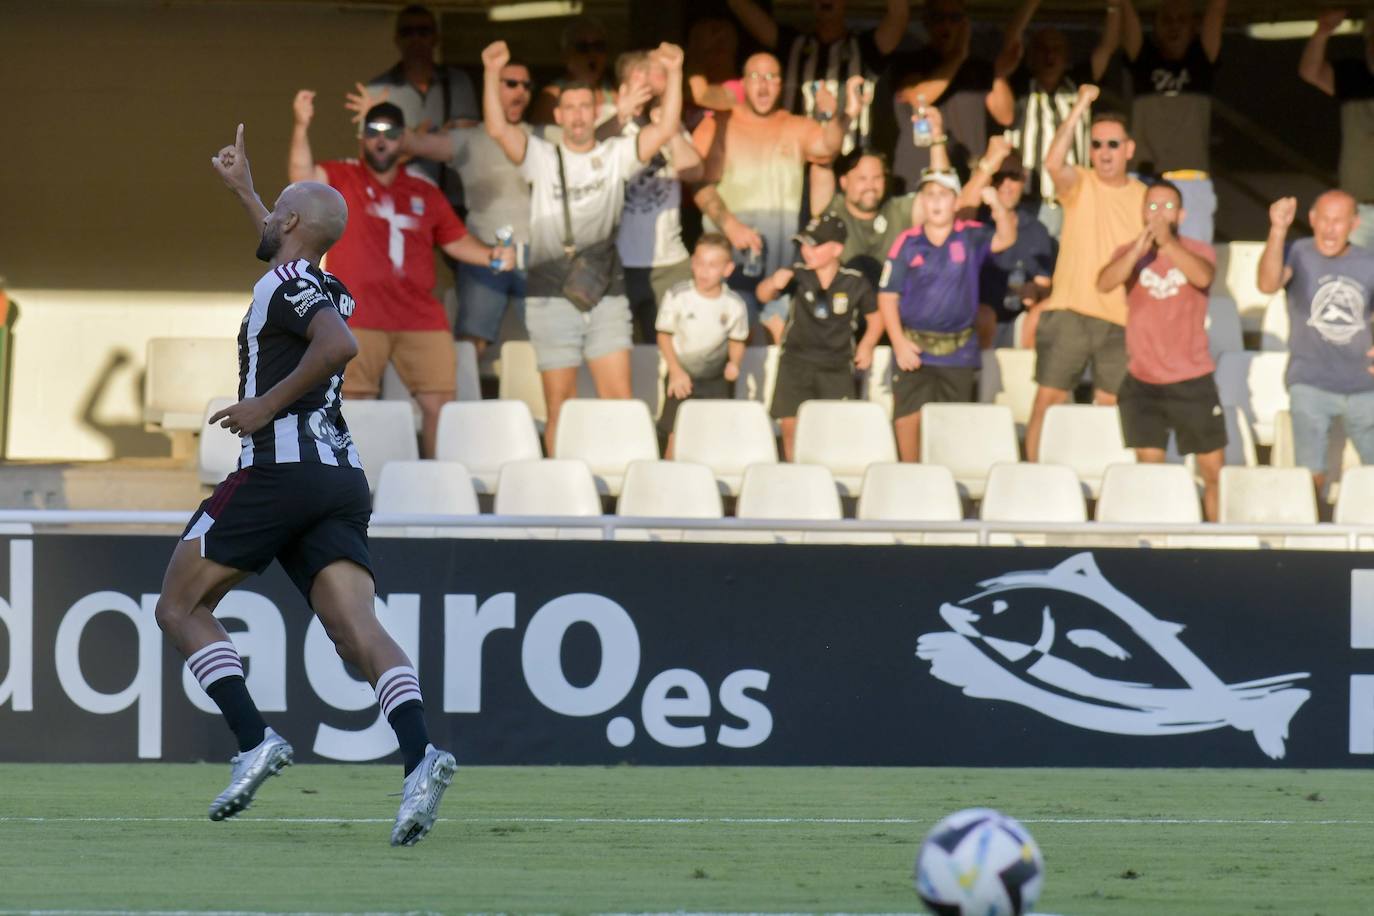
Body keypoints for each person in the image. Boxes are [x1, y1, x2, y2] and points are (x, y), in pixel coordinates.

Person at [155, 123, 455, 846]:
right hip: (339, 478)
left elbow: (338, 346)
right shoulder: (322, 278)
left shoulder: (288, 285)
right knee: (357, 633)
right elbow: (283, 244)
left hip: (279, 470)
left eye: (276, 209)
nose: (268, 220)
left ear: (293, 223)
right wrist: (248, 191)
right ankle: (420, 758)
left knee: (178, 606)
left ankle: (254, 739)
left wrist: (263, 403)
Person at [482, 39, 685, 453]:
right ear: (558, 115)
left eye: (584, 107)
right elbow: (498, 129)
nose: (577, 116)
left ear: (598, 112)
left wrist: (676, 72)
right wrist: (490, 72)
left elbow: (664, 130)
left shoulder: (615, 155)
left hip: (605, 291)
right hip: (550, 294)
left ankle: (621, 495)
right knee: (561, 407)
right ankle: (560, 494)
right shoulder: (541, 155)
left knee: (619, 402)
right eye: (568, 108)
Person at [288, 96, 509, 459]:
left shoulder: (424, 189)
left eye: (390, 133)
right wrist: (301, 125)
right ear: (361, 138)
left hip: (420, 317)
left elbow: (455, 242)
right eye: (372, 132)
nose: (381, 140)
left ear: (402, 139)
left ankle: (436, 484)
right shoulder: (343, 177)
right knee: (355, 404)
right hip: (357, 314)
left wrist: (492, 256)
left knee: (441, 404)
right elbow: (301, 179)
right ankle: (359, 485)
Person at [692, 55, 862, 341]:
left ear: (782, 84)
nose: (763, 86)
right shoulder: (717, 125)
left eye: (771, 78)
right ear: (743, 82)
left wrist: (838, 115)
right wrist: (731, 226)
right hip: (729, 268)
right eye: (756, 77)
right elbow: (698, 185)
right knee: (732, 350)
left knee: (776, 348)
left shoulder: (795, 125)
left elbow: (828, 149)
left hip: (780, 271)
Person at [1023, 85, 1146, 462]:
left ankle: (1099, 484)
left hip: (1122, 320)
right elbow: (1053, 163)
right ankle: (1030, 478)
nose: (1104, 152)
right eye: (1096, 144)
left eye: (1112, 144)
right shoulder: (1080, 182)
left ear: (1129, 149)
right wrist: (1079, 108)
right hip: (1070, 311)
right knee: (1050, 400)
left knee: (1110, 406)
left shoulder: (1145, 196)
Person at [878, 134, 1018, 462]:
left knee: (952, 425)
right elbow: (887, 295)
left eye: (943, 195)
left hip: (957, 351)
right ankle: (909, 477)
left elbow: (1006, 238)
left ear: (956, 202)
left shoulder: (969, 236)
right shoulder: (907, 242)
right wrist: (898, 342)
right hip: (915, 350)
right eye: (929, 195)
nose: (936, 202)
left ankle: (947, 486)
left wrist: (995, 203)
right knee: (907, 419)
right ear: (921, 202)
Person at [1097, 180, 1224, 520]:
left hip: (1193, 379)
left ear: (1181, 214)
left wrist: (1169, 245)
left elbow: (1202, 277)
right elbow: (1104, 283)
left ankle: (1219, 543)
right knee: (1149, 474)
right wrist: (1138, 251)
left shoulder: (1200, 250)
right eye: (1151, 206)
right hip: (1143, 382)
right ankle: (1156, 544)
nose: (1158, 213)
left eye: (1167, 207)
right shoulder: (1129, 252)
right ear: (1141, 212)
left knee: (1214, 473)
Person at [399, 58, 535, 358]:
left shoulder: (541, 136)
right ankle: (463, 404)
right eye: (511, 83)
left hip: (535, 255)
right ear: (493, 86)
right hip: (484, 252)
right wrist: (377, 117)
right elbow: (413, 144)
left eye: (526, 85)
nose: (520, 91)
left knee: (550, 344)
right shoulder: (469, 138)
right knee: (471, 344)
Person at [1259, 191, 1374, 497]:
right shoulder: (1297, 251)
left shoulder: (1369, 261)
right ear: (1311, 219)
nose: (1329, 229)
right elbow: (1267, 284)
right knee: (1309, 475)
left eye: (1338, 221)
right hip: (1310, 382)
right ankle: (1310, 538)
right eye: (1323, 219)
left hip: (1366, 385)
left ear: (1354, 223)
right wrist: (1277, 229)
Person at [757, 214, 883, 460]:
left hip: (835, 365)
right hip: (795, 362)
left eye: (814, 245)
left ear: (836, 249)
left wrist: (867, 344)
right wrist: (774, 282)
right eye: (803, 244)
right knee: (791, 428)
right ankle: (795, 477)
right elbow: (762, 295)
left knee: (833, 430)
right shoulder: (797, 275)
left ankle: (829, 481)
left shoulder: (854, 281)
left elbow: (876, 318)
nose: (807, 251)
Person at [996, 0, 1121, 237]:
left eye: (1056, 49)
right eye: (1043, 48)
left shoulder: (1079, 84)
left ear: (1066, 56)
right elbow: (1011, 39)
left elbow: (1108, 46)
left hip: (1073, 202)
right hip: (1029, 202)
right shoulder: (1020, 86)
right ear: (1031, 55)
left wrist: (1114, 6)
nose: (1050, 55)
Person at [605, 50, 705, 344]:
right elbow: (583, 155)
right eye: (642, 76)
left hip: (668, 264)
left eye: (655, 76)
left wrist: (669, 130)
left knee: (671, 349)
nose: (650, 84)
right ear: (624, 84)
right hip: (616, 262)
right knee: (617, 349)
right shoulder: (607, 123)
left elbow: (694, 172)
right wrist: (620, 115)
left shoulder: (670, 123)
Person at [1120, 0, 1227, 243]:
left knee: (1194, 255)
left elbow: (1217, 10)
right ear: (1155, 27)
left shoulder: (1203, 60)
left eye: (1182, 20)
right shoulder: (1142, 58)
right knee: (1136, 255)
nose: (1174, 26)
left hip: (1191, 177)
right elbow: (1126, 10)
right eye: (1166, 20)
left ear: (1193, 27)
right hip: (1144, 177)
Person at [363, 4, 478, 215]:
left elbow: (469, 142)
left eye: (423, 31)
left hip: (452, 200)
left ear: (436, 38)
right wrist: (430, 137)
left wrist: (405, 141)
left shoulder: (458, 83)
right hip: (399, 201)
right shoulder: (379, 88)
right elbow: (370, 155)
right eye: (408, 32)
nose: (416, 39)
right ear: (397, 39)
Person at [889, 0, 1015, 191]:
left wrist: (998, 74)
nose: (946, 25)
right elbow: (917, 98)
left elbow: (1005, 115)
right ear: (926, 23)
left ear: (965, 23)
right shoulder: (910, 61)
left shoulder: (979, 67)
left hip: (969, 181)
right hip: (920, 182)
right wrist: (958, 56)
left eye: (954, 18)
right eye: (939, 18)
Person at [656, 234, 750, 457]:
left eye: (712, 265)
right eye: (698, 262)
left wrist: (735, 363)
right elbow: (664, 335)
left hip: (716, 379)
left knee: (713, 436)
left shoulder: (734, 304)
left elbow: (737, 340)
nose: (703, 270)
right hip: (682, 378)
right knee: (675, 436)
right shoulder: (678, 295)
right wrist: (676, 371)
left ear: (727, 269)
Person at [1298, 11, 1374, 251]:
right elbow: (1310, 71)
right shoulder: (1353, 75)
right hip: (1359, 208)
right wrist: (1322, 33)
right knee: (1356, 281)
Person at [968, 145, 1057, 349]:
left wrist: (1035, 291)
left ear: (1024, 178)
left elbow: (1044, 285)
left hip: (1017, 322)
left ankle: (1029, 380)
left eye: (1013, 176)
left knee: (1045, 312)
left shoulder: (1037, 230)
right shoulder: (972, 222)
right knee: (984, 316)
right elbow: (960, 207)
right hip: (974, 320)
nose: (1006, 184)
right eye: (998, 176)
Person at [530, 17, 618, 128]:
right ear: (566, 55)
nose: (592, 54)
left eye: (598, 46)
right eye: (583, 48)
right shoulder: (552, 97)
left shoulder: (614, 94)